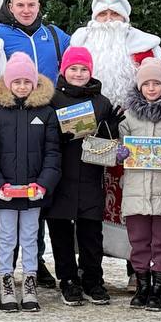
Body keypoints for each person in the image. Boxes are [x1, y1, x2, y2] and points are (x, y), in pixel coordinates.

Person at [0, 53, 60, 313]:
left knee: (30, 237)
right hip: (5, 191)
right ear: (8, 83)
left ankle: (29, 282)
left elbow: (52, 154)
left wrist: (43, 184)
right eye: (17, 82)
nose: (22, 87)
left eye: (27, 82)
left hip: (33, 191)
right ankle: (6, 281)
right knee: (6, 237)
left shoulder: (46, 113)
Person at [47, 46, 117, 307]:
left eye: (84, 69)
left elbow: (110, 142)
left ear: (91, 71)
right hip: (60, 175)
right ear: (64, 70)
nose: (78, 73)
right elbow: (41, 135)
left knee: (91, 233)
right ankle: (67, 279)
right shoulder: (52, 99)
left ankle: (92, 278)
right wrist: (57, 135)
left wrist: (110, 130)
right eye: (73, 68)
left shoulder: (101, 101)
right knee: (61, 232)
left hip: (90, 175)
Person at [117, 58, 161, 312]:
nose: (151, 88)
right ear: (139, 87)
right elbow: (118, 145)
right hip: (135, 189)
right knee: (138, 239)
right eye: (146, 84)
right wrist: (121, 153)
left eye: (156, 83)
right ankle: (142, 284)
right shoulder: (128, 115)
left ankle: (159, 287)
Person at [69, 0, 161, 109]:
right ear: (95, 18)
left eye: (115, 14)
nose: (108, 19)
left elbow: (160, 84)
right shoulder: (80, 43)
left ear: (124, 18)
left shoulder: (143, 45)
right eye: (103, 14)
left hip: (133, 114)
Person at [0, 0, 70, 83]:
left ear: (38, 7)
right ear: (11, 7)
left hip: (51, 93)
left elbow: (84, 51)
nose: (26, 11)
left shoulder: (54, 34)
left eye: (31, 5)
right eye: (20, 5)